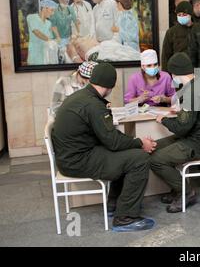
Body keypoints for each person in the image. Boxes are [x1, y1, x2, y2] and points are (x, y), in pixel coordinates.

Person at [52, 63, 158, 231]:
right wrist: (140, 143)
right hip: (78, 160)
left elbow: (110, 139)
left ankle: (114, 204)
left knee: (125, 153)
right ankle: (125, 217)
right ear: (110, 86)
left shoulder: (82, 96)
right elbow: (113, 141)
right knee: (140, 158)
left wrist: (134, 143)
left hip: (70, 157)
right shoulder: (93, 105)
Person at [149, 52, 200, 213]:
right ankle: (177, 188)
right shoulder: (199, 84)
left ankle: (187, 193)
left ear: (176, 73)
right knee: (154, 147)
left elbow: (183, 127)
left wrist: (163, 120)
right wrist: (180, 112)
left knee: (156, 160)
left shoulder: (192, 91)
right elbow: (191, 117)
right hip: (196, 136)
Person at [161, 1, 194, 71]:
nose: (181, 16)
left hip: (196, 69)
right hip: (177, 70)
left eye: (184, 14)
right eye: (179, 14)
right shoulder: (171, 32)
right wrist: (166, 75)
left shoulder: (198, 29)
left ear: (190, 14)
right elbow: (165, 56)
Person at [67, 34, 141, 62]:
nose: (88, 37)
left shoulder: (106, 44)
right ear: (79, 50)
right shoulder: (94, 55)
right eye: (83, 39)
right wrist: (75, 57)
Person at [26, 0, 58, 65]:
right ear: (44, 9)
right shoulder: (31, 17)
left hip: (46, 55)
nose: (53, 13)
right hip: (35, 54)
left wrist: (56, 39)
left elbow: (50, 38)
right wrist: (49, 40)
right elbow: (36, 32)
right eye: (52, 10)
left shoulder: (48, 23)